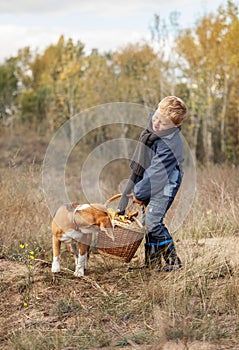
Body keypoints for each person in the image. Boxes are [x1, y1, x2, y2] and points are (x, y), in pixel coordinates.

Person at [117, 96, 188, 271]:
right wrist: (132, 191)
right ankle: (151, 264)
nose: (156, 124)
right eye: (155, 118)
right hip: (149, 180)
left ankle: (174, 262)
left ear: (176, 126)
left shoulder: (171, 143)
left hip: (166, 183)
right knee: (148, 221)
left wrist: (140, 193)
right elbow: (143, 165)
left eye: (163, 124)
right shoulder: (152, 131)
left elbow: (158, 172)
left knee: (153, 221)